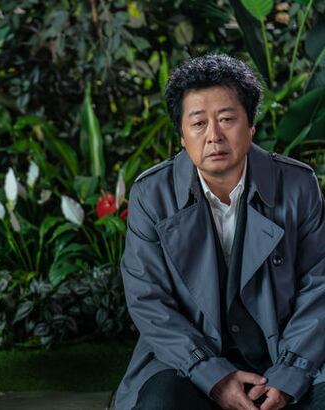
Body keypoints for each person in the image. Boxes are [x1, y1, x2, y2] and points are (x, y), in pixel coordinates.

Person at [113, 54, 325, 410]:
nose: (214, 136)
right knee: (159, 404)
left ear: (251, 126)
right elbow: (148, 300)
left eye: (227, 119)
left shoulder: (298, 185)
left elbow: (319, 285)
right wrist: (212, 374)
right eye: (198, 123)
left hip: (288, 351)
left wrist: (290, 374)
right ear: (182, 136)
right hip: (188, 359)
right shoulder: (152, 195)